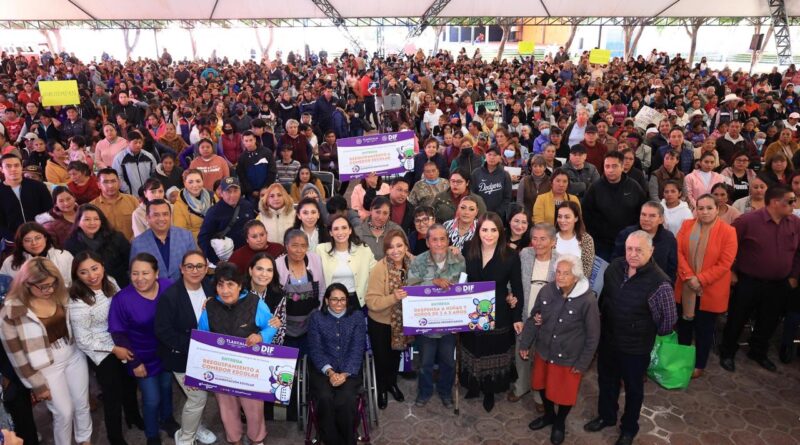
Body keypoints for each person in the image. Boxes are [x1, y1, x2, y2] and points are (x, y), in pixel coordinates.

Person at [584, 231, 677, 445]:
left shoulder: (660, 283)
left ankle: (628, 428)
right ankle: (606, 416)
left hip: (635, 349)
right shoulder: (615, 268)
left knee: (634, 389)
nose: (633, 254)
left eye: (639, 250)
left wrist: (643, 330)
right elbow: (605, 300)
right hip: (609, 340)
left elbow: (667, 322)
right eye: (629, 249)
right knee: (606, 381)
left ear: (651, 251)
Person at [0, 257, 93, 445]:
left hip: (73, 354)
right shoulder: (11, 311)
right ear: (26, 283)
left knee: (82, 404)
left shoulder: (60, 294)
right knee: (64, 413)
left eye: (52, 284)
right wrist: (37, 385)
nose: (49, 290)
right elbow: (17, 357)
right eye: (43, 286)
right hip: (46, 366)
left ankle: (85, 441)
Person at [520, 254, 600, 445]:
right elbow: (534, 317)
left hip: (568, 358)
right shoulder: (547, 290)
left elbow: (593, 336)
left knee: (564, 395)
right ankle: (549, 415)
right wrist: (525, 343)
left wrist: (582, 363)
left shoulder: (587, 300)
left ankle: (559, 423)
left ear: (576, 276)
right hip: (544, 351)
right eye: (558, 272)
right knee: (542, 386)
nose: (560, 277)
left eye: (566, 273)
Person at [720, 185, 800, 373]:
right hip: (748, 281)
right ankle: (727, 352)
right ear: (775, 202)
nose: (794, 204)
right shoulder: (747, 221)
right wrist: (731, 271)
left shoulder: (795, 223)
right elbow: (727, 246)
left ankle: (758, 351)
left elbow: (798, 252)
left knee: (769, 320)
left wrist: (794, 276)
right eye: (790, 201)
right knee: (737, 319)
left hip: (780, 283)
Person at [196, 262, 277, 445]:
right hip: (222, 370)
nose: (225, 290)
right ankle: (235, 440)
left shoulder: (255, 303)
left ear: (240, 285)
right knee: (227, 410)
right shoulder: (210, 307)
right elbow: (201, 338)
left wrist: (261, 336)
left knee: (254, 410)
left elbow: (272, 325)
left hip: (250, 370)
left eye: (230, 284)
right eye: (220, 285)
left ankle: (257, 440)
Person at [68, 251, 143, 445]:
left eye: (95, 268)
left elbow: (122, 306)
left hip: (121, 339)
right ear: (76, 275)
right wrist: (114, 349)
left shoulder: (110, 281)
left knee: (130, 385)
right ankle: (115, 437)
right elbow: (83, 340)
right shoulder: (77, 300)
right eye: (83, 272)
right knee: (112, 396)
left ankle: (133, 417)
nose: (92, 276)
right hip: (101, 351)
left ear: (102, 265)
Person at [108, 253, 179, 445]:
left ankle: (167, 420)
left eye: (145, 273)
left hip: (166, 352)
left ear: (156, 273)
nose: (140, 278)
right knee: (151, 399)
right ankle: (152, 435)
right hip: (140, 356)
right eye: (135, 273)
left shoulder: (168, 286)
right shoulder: (122, 299)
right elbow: (118, 333)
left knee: (166, 388)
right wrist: (134, 363)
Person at [461, 212, 524, 412]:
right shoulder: (467, 249)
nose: (489, 234)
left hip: (499, 312)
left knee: (491, 350)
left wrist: (517, 316)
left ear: (500, 232)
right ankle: (473, 385)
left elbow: (517, 288)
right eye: (484, 230)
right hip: (472, 309)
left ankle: (490, 390)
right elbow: (460, 278)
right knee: (474, 348)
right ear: (478, 231)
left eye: (493, 230)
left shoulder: (510, 255)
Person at [154, 251, 218, 445]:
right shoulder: (170, 296)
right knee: (198, 397)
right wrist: (194, 347)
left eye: (199, 266)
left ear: (206, 269)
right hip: (181, 356)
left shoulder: (210, 288)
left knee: (200, 395)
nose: (195, 270)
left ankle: (196, 427)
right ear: (181, 269)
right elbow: (163, 331)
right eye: (189, 266)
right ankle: (185, 438)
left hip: (208, 354)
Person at [675, 195, 738, 379]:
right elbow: (678, 252)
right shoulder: (687, 225)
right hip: (686, 286)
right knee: (684, 327)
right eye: (700, 208)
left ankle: (699, 364)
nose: (704, 212)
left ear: (717, 209)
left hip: (710, 290)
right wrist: (689, 277)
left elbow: (725, 263)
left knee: (704, 329)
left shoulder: (728, 232)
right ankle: (683, 359)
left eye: (709, 208)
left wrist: (700, 280)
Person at [407, 224, 466, 408]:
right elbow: (410, 287)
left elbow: (464, 287)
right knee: (425, 362)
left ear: (448, 241)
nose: (439, 244)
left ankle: (445, 392)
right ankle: (424, 392)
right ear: (427, 242)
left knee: (448, 362)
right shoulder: (418, 261)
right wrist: (432, 282)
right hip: (426, 324)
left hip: (449, 323)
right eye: (434, 240)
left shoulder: (458, 259)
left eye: (443, 239)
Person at [307, 283, 367, 445]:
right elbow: (315, 349)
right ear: (327, 301)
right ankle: (330, 440)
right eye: (334, 299)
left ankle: (348, 440)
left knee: (346, 399)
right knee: (324, 398)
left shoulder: (357, 317)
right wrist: (331, 372)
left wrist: (345, 374)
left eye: (342, 299)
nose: (339, 303)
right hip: (323, 370)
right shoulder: (316, 318)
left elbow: (357, 348)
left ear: (347, 300)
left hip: (350, 370)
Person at [510, 223, 558, 407]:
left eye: (543, 239)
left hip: (548, 320)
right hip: (524, 315)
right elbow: (513, 279)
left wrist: (548, 315)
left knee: (541, 358)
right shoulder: (525, 254)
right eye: (535, 238)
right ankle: (521, 386)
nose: (538, 243)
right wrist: (510, 295)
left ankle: (539, 394)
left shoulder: (561, 262)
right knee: (521, 353)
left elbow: (566, 294)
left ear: (553, 241)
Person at [365, 229, 411, 409]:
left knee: (395, 356)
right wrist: (394, 297)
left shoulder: (414, 263)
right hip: (381, 322)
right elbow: (371, 302)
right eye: (391, 247)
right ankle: (381, 388)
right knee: (382, 358)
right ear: (385, 250)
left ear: (406, 246)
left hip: (402, 321)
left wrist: (453, 250)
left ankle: (392, 383)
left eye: (399, 245)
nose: (396, 251)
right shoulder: (380, 268)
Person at [582, 152, 648, 261]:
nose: (610, 170)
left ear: (622, 167)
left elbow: (642, 210)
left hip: (628, 242)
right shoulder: (595, 188)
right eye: (607, 166)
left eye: (614, 166)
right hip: (601, 244)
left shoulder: (634, 187)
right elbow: (586, 213)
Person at [130, 199, 198, 282]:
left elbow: (194, 266)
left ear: (170, 216)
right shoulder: (138, 244)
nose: (161, 219)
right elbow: (136, 275)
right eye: (156, 215)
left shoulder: (186, 236)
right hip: (154, 289)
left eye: (165, 214)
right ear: (147, 218)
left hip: (183, 286)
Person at [317, 215, 376, 309]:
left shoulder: (363, 249)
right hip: (331, 300)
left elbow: (376, 271)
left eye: (344, 228)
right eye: (336, 229)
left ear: (350, 230)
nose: (340, 232)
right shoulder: (321, 250)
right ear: (331, 233)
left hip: (356, 300)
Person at [198, 177, 257, 264]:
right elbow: (203, 238)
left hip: (248, 255)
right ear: (221, 193)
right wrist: (217, 261)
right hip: (227, 260)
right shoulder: (214, 212)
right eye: (228, 191)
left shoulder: (247, 206)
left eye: (235, 191)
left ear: (240, 191)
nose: (232, 195)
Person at [0, 222, 74, 286]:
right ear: (21, 243)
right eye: (28, 240)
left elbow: (73, 283)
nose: (34, 243)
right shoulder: (10, 262)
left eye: (38, 238)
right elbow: (4, 286)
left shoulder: (64, 256)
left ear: (45, 238)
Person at [0, 154, 53, 242]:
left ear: (21, 167)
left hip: (41, 236)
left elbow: (49, 211)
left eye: (16, 165)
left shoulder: (38, 186)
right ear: (1, 169)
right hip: (14, 241)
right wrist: (16, 238)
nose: (13, 169)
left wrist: (42, 232)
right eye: (8, 166)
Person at [91, 168, 139, 241]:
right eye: (105, 182)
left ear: (119, 183)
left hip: (133, 244)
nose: (110, 186)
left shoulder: (132, 200)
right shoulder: (93, 206)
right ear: (99, 185)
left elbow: (140, 223)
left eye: (113, 181)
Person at [554, 201, 595, 278]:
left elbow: (587, 269)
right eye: (559, 216)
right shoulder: (552, 237)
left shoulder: (586, 239)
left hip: (577, 282)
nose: (562, 220)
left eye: (567, 217)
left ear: (576, 218)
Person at [470, 146, 512, 219]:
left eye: (495, 155)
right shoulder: (476, 173)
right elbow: (472, 194)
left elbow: (507, 198)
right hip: (478, 214)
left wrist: (499, 213)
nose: (492, 157)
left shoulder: (505, 175)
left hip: (498, 216)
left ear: (500, 158)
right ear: (485, 156)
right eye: (489, 154)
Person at [112, 130, 157, 196]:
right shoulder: (119, 158)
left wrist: (151, 188)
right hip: (129, 195)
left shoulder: (149, 156)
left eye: (140, 142)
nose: (138, 145)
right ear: (128, 142)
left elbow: (154, 173)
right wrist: (127, 190)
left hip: (148, 193)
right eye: (135, 142)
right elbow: (117, 176)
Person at [236, 130, 277, 202]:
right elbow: (242, 176)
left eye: (251, 140)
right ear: (243, 142)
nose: (249, 143)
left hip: (267, 191)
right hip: (250, 194)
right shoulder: (242, 157)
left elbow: (272, 171)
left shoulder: (266, 152)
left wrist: (265, 188)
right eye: (246, 141)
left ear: (255, 139)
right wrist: (251, 191)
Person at [173, 169, 214, 239]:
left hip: (216, 239)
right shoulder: (179, 205)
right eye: (190, 182)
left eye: (198, 181)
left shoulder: (212, 196)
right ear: (184, 183)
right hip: (195, 242)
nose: (195, 185)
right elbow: (181, 233)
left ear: (202, 181)